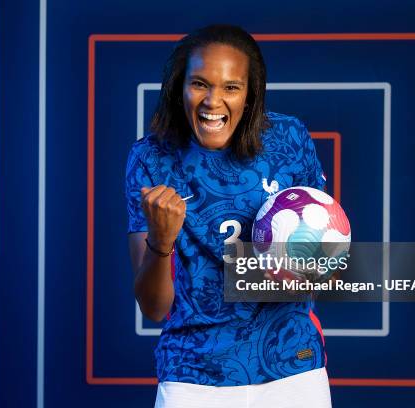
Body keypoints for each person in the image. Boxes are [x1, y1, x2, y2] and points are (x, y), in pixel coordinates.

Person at [125, 24, 332, 408]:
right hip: (193, 376)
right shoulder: (150, 158)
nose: (212, 102)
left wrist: (267, 261)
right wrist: (162, 242)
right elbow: (154, 307)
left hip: (293, 368)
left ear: (250, 94)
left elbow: (321, 267)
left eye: (231, 87)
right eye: (200, 84)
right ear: (179, 87)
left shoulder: (289, 138)